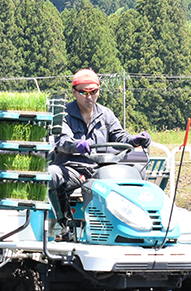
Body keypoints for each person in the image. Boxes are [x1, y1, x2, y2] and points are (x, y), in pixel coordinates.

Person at [49, 68, 150, 224]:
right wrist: (77, 145)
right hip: (72, 169)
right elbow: (62, 141)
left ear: (98, 91)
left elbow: (120, 137)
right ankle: (65, 223)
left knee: (136, 170)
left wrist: (135, 140)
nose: (89, 96)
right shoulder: (64, 115)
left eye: (93, 91)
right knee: (52, 173)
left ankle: (133, 223)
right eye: (84, 92)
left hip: (101, 169)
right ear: (74, 92)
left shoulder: (106, 114)